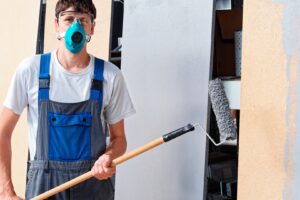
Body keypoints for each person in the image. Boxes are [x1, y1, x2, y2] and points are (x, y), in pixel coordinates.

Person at [0, 0, 135, 199]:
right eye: (69, 19)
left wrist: (108, 157)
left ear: (93, 27)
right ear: (56, 24)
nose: (76, 27)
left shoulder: (110, 76)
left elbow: (119, 139)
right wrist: (6, 191)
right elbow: (2, 133)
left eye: (83, 20)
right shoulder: (31, 70)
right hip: (45, 186)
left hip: (93, 184)